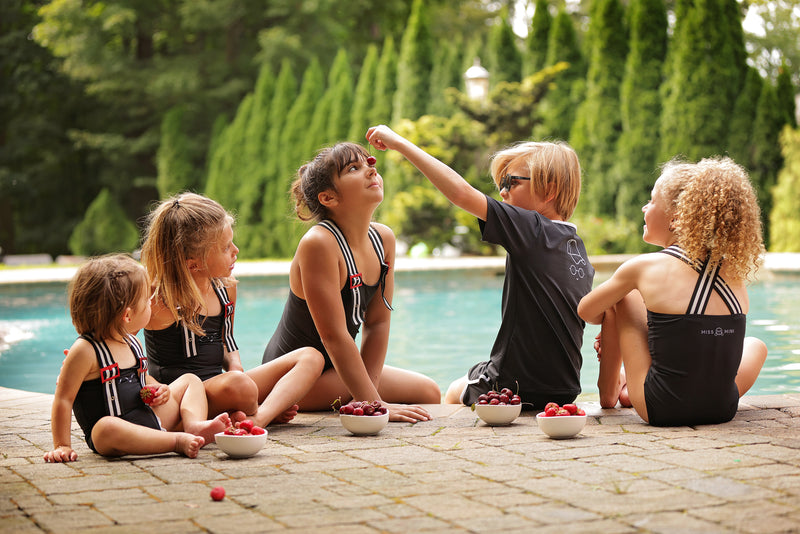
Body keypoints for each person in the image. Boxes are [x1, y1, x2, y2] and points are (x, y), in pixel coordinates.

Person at [365, 125, 594, 410]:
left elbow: (461, 194)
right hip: (565, 388)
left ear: (549, 190)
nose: (502, 190)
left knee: (451, 392)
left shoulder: (532, 228)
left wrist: (398, 143)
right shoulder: (577, 250)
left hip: (515, 386)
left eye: (512, 181)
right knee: (477, 370)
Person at [577, 157, 768, 426]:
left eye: (652, 200)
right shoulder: (733, 271)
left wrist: (618, 326)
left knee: (622, 296)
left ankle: (610, 395)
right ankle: (633, 384)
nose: (645, 206)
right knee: (756, 346)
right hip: (724, 407)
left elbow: (586, 310)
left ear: (678, 217)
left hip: (660, 407)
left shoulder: (642, 268)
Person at [261, 142, 441, 422]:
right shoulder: (319, 243)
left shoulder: (383, 240)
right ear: (328, 198)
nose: (371, 170)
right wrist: (374, 403)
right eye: (354, 168)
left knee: (428, 392)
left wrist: (370, 398)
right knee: (398, 398)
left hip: (339, 370)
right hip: (296, 380)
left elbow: (378, 323)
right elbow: (332, 336)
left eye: (369, 164)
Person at [140, 193, 324, 428]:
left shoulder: (225, 287)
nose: (236, 250)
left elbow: (226, 340)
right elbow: (124, 349)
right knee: (241, 387)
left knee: (310, 357)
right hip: (181, 394)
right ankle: (248, 410)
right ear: (193, 263)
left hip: (222, 385)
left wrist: (235, 366)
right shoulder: (157, 297)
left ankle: (259, 416)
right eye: (226, 247)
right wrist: (153, 386)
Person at [46, 254, 231, 462]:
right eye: (146, 301)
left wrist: (160, 389)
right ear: (127, 315)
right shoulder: (85, 351)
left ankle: (194, 425)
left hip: (148, 418)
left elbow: (142, 381)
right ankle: (175, 441)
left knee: (191, 380)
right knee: (105, 428)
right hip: (117, 433)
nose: (151, 303)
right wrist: (62, 445)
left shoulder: (132, 342)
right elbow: (63, 399)